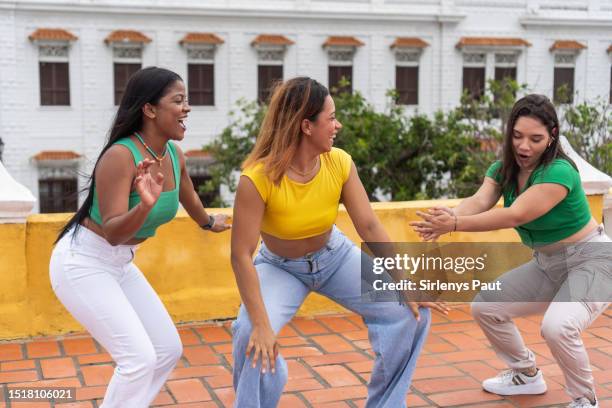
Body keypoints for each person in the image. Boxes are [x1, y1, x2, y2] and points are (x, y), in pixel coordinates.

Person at [230, 76, 448, 408]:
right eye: (331, 118)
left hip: (334, 256)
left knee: (410, 311)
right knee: (250, 335)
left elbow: (370, 226)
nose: (338, 124)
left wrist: (404, 280)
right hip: (280, 267)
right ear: (306, 125)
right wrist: (261, 324)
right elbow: (240, 256)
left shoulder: (339, 162)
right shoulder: (257, 179)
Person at [410, 94, 611, 408]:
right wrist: (447, 217)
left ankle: (585, 400)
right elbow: (479, 202)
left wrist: (454, 224)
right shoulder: (503, 168)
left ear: (552, 136)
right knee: (486, 306)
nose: (524, 146)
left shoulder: (559, 172)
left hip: (592, 262)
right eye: (517, 136)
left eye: (535, 138)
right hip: (547, 263)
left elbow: (515, 214)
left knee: (558, 327)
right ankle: (526, 374)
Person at [49, 67, 230, 407]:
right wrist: (144, 206)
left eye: (187, 100)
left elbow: (187, 193)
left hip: (119, 264)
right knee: (138, 360)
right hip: (84, 262)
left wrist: (208, 222)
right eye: (178, 100)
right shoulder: (121, 156)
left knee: (166, 349)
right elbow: (114, 232)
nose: (187, 108)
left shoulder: (173, 155)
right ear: (149, 109)